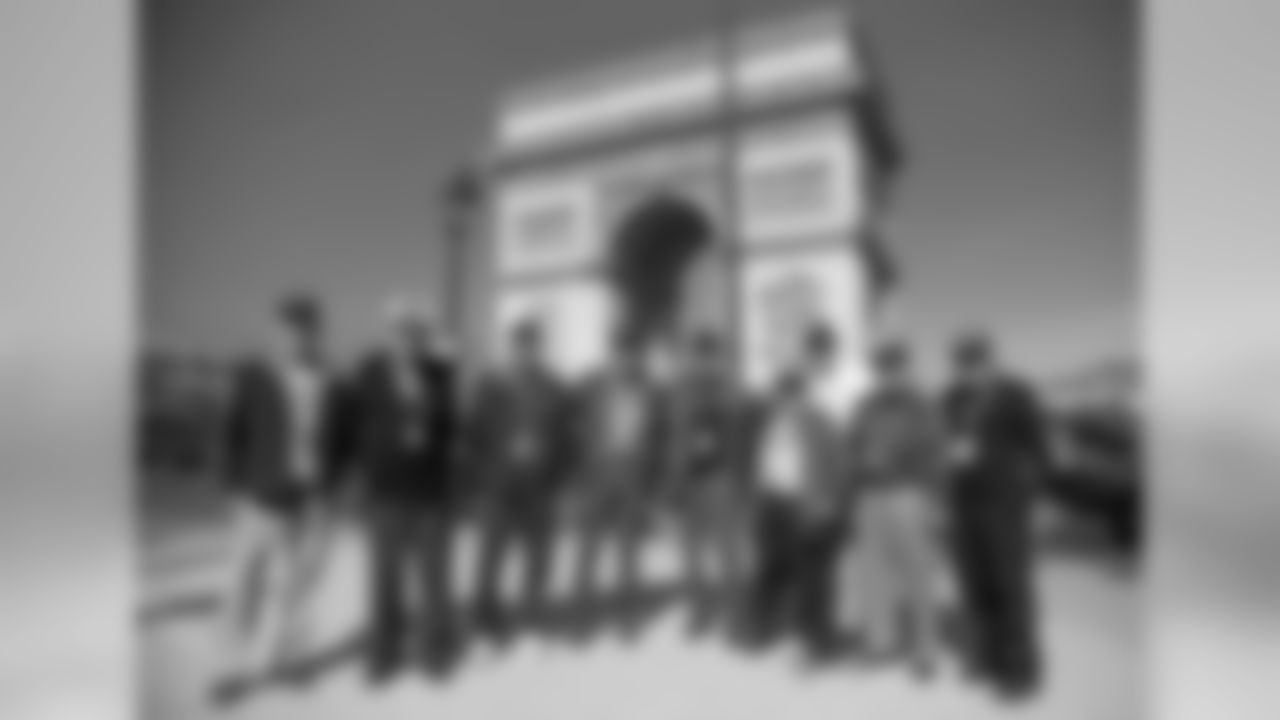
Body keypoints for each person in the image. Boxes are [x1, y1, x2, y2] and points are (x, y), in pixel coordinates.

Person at [213, 295, 348, 703]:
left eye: (305, 328)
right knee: (244, 586)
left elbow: (342, 442)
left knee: (295, 588)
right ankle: (231, 669)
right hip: (260, 497)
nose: (296, 337)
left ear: (316, 332)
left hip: (307, 502)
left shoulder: (331, 379)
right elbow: (232, 432)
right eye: (289, 328)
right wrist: (232, 489)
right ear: (277, 330)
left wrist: (333, 489)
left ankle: (286, 662)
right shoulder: (255, 373)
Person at [350, 301, 460, 683]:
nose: (409, 338)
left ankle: (433, 650)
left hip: (431, 495)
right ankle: (384, 652)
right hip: (386, 494)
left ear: (424, 338)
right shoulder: (369, 371)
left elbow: (450, 430)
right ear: (389, 334)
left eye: (416, 332)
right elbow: (353, 425)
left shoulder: (442, 373)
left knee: (434, 580)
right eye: (401, 331)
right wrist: (359, 476)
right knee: (384, 579)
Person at [942, 332, 1050, 700]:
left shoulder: (1015, 392)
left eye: (974, 363)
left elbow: (1038, 447)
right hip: (964, 504)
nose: (967, 371)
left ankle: (1020, 671)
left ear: (989, 361)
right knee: (975, 584)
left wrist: (1033, 499)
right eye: (961, 364)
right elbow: (945, 441)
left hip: (1005, 505)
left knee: (1012, 587)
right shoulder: (951, 398)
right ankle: (986, 657)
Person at [843, 340, 949, 679]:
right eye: (883, 368)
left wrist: (934, 500)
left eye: (894, 367)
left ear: (905, 368)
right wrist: (859, 465)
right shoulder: (865, 405)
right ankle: (880, 643)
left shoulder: (921, 405)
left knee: (918, 576)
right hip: (870, 497)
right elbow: (851, 444)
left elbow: (935, 453)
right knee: (873, 576)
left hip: (909, 494)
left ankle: (925, 650)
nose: (889, 374)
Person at [469, 319, 575, 641]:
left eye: (532, 344)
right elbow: (474, 435)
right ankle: (485, 615)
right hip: (499, 487)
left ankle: (532, 612)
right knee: (492, 555)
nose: (526, 351)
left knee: (539, 555)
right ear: (512, 347)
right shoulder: (491, 385)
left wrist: (558, 479)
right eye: (520, 344)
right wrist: (483, 478)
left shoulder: (554, 387)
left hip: (539, 487)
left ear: (538, 348)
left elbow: (567, 439)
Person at [742, 334, 845, 657]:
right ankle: (761, 629)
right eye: (782, 394)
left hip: (805, 504)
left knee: (814, 576)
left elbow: (838, 464)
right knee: (769, 569)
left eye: (792, 394)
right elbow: (753, 463)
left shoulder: (820, 420)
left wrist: (829, 503)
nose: (787, 400)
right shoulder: (765, 422)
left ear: (802, 395)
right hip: (772, 505)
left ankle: (819, 639)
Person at [570, 331, 665, 639]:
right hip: (597, 476)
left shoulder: (649, 389)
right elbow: (571, 423)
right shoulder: (592, 384)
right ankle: (582, 619)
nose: (626, 360)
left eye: (632, 354)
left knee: (628, 551)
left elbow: (657, 436)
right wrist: (578, 471)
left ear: (637, 357)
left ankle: (628, 617)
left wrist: (653, 485)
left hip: (633, 476)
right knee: (589, 550)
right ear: (612, 355)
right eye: (621, 353)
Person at [659, 329, 751, 635]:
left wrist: (740, 479)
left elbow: (741, 435)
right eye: (700, 355)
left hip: (720, 478)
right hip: (688, 479)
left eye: (710, 355)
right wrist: (672, 481)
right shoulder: (681, 390)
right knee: (691, 552)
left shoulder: (728, 390)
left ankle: (736, 616)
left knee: (728, 551)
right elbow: (673, 435)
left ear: (718, 358)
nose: (704, 361)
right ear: (693, 357)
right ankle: (698, 612)